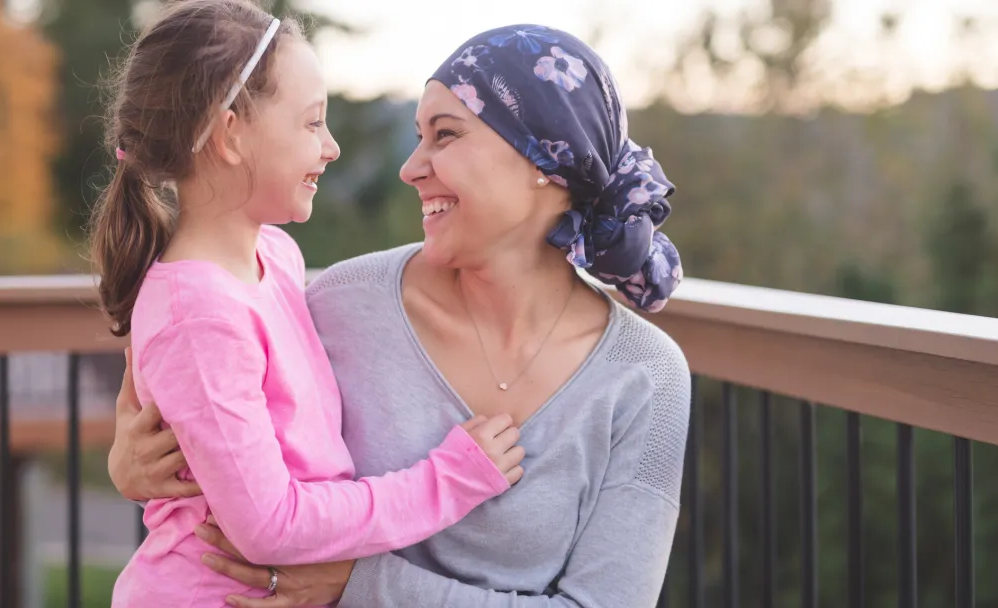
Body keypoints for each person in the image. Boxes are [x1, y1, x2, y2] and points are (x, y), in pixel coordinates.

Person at [108, 22, 692, 608]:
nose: (409, 168)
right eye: (417, 136)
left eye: (445, 134)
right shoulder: (340, 302)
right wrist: (134, 471)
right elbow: (234, 447)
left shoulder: (646, 378)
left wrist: (360, 582)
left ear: (544, 159)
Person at [88, 2, 525, 606]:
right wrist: (446, 482)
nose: (332, 147)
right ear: (229, 133)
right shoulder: (201, 316)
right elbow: (270, 523)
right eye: (311, 123)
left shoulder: (276, 256)